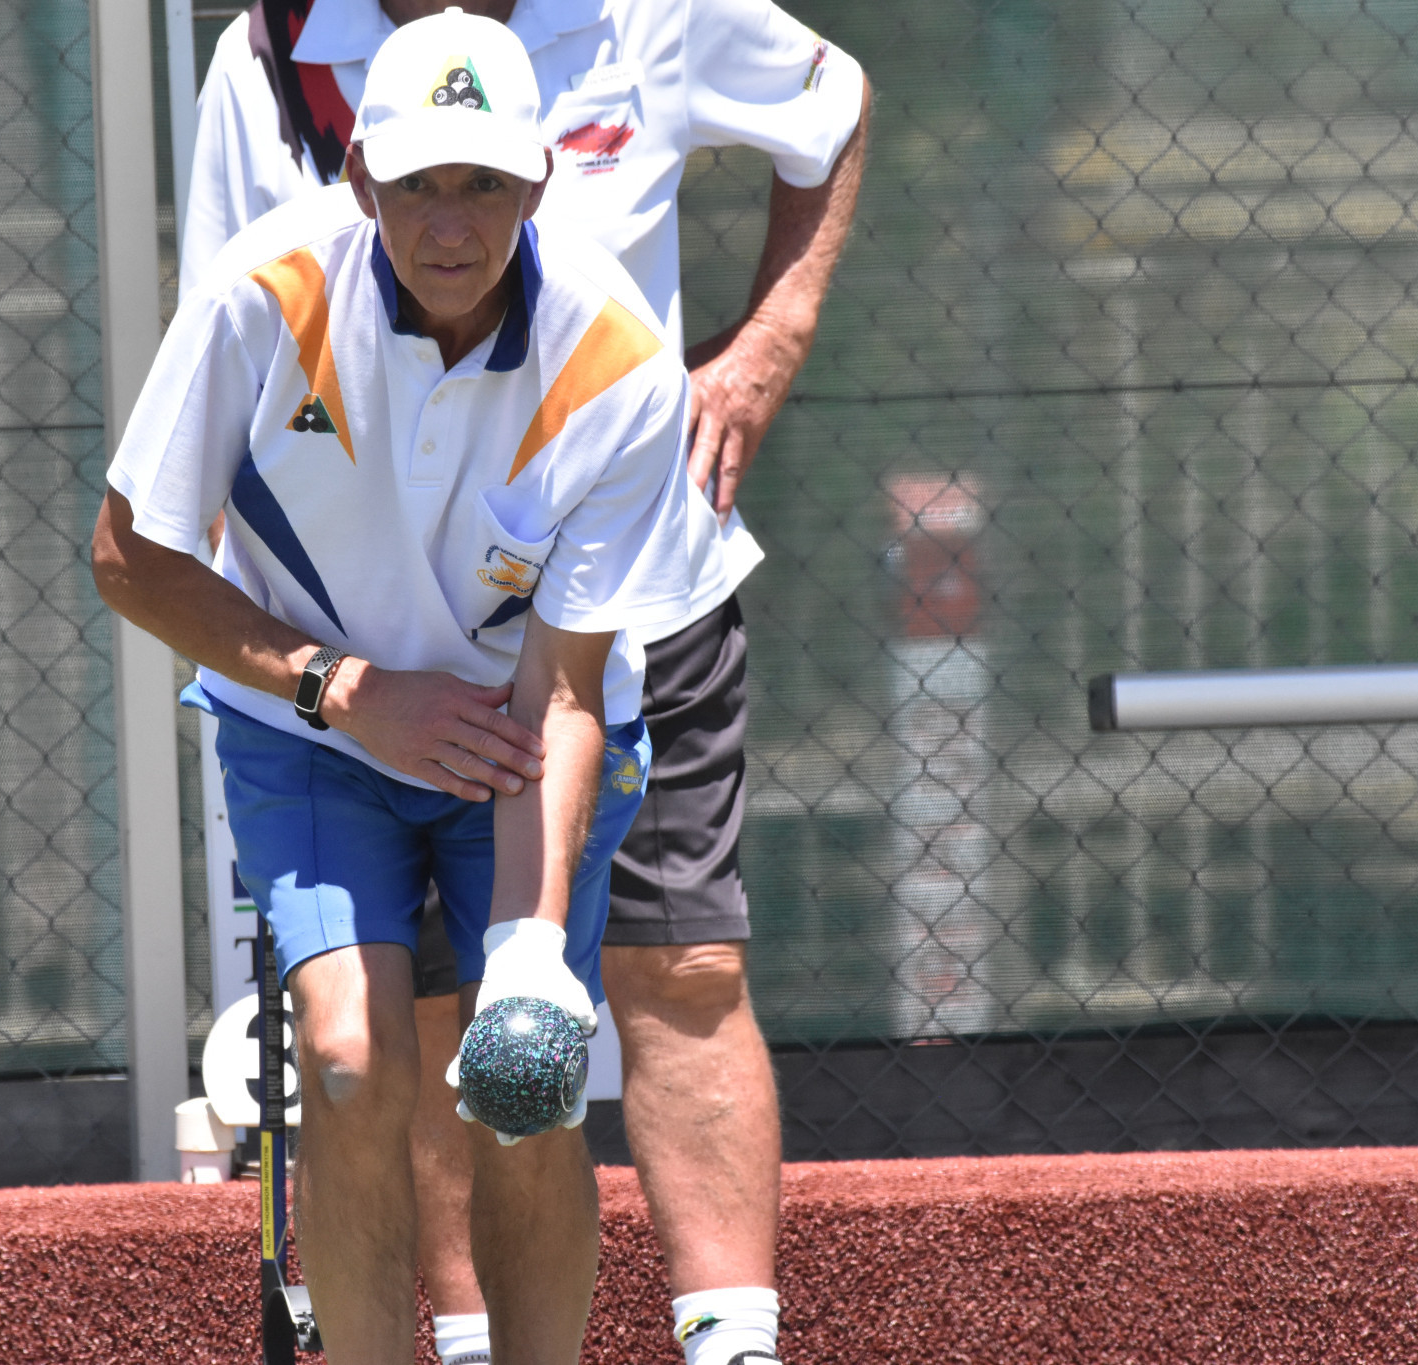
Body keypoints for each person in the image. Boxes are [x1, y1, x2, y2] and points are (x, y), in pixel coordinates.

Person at [181, 4, 868, 1364]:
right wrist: (299, 669)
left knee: (683, 961)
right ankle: (466, 1338)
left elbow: (833, 106)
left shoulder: (659, 13)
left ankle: (733, 1343)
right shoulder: (267, 50)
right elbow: (230, 340)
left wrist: (764, 345)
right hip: (377, 645)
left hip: (621, 581)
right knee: (418, 1019)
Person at [95, 12, 697, 1362]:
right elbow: (129, 554)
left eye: (482, 181)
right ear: (359, 179)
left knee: (526, 1087)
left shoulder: (619, 356)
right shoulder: (259, 295)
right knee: (356, 1060)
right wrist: (342, 690)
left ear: (538, 181)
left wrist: (533, 962)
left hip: (514, 738)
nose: (448, 220)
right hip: (308, 729)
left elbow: (567, 690)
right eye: (417, 182)